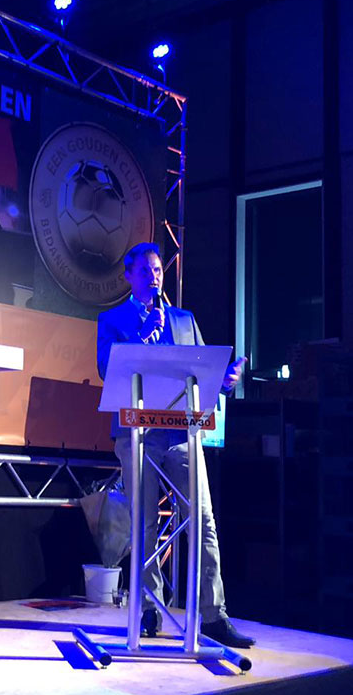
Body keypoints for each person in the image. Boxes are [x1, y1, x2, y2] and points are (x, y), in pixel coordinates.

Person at [96, 242, 254, 649]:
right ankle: (149, 609)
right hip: (138, 434)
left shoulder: (185, 320)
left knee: (203, 520)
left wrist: (224, 381)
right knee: (144, 524)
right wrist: (141, 336)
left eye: (158, 270)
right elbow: (107, 368)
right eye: (145, 270)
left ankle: (213, 615)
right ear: (128, 276)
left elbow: (202, 373)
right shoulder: (113, 320)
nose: (154, 276)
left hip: (182, 432)